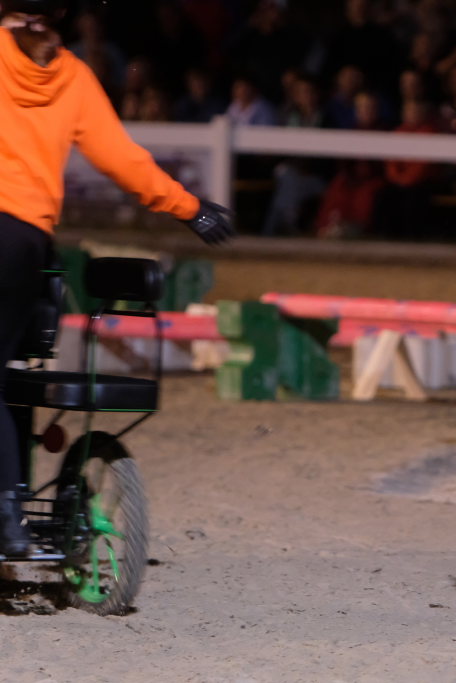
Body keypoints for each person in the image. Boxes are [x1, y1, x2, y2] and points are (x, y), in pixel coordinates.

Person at [0, 0, 233, 556]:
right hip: (25, 240)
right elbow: (122, 159)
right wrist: (191, 208)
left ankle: (6, 516)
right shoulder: (73, 75)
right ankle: (10, 511)